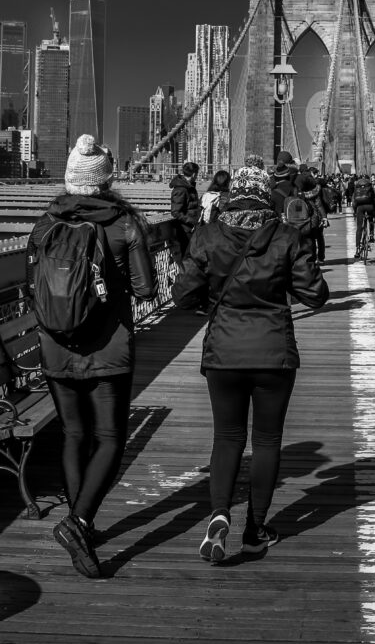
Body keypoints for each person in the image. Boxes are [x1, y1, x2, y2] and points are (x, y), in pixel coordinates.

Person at [171, 164, 329, 559]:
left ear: (232, 196)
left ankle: (219, 514)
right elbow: (316, 295)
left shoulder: (207, 235)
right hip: (273, 352)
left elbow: (182, 295)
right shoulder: (286, 237)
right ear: (265, 195)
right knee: (266, 441)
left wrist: (211, 298)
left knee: (227, 438)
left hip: (223, 351)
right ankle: (255, 529)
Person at [27, 134, 158, 577]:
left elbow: (32, 285)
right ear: (106, 180)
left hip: (55, 346)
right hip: (109, 348)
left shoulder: (45, 223)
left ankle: (79, 523)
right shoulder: (125, 224)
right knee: (109, 438)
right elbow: (146, 289)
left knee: (73, 435)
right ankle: (79, 522)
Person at [169, 161, 200, 262]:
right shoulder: (181, 189)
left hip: (189, 228)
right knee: (187, 258)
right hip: (185, 230)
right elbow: (175, 212)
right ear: (194, 174)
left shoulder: (188, 187)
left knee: (190, 257)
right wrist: (192, 221)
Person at [298, 172, 328, 263]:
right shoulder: (315, 192)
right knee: (318, 237)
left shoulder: (299, 194)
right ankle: (320, 257)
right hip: (315, 218)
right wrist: (324, 217)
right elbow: (319, 205)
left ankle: (312, 258)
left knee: (310, 239)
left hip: (303, 218)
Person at [352, 173, 375, 259]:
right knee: (371, 219)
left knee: (359, 228)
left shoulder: (357, 187)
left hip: (360, 208)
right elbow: (374, 199)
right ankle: (371, 234)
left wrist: (355, 212)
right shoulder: (370, 187)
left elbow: (354, 201)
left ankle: (357, 249)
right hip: (370, 206)